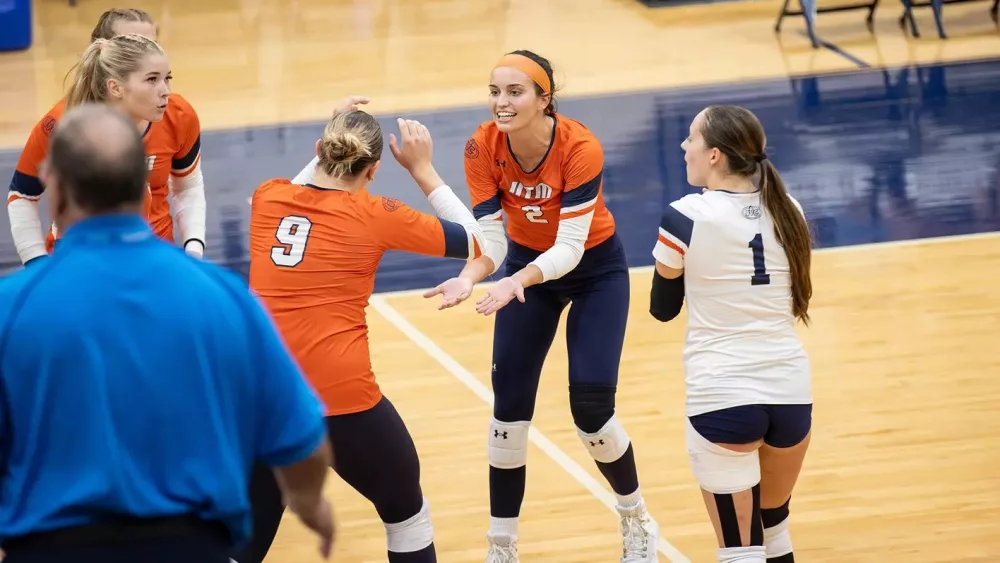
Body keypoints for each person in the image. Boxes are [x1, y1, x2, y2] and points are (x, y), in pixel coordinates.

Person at [0, 103, 334, 563]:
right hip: (191, 546)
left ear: (54, 190)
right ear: (144, 189)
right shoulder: (223, 297)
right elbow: (301, 436)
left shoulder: (11, 309)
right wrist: (309, 504)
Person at [421, 50, 659, 563]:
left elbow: (571, 249)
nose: (500, 103)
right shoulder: (481, 147)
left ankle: (636, 516)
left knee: (592, 413)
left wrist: (513, 284)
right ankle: (502, 547)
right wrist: (471, 276)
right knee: (508, 412)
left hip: (595, 271)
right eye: (494, 92)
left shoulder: (580, 147)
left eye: (515, 92)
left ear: (544, 99)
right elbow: (494, 240)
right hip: (530, 269)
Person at [245, 107, 485, 563]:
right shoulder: (376, 214)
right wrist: (422, 169)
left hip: (263, 398)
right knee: (405, 514)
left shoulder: (267, 197)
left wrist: (331, 135)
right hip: (342, 397)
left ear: (318, 150)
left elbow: (300, 188)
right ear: (374, 170)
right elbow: (480, 243)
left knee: (246, 539)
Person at [649, 105, 813, 563]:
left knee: (739, 550)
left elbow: (662, 309)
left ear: (715, 155)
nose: (684, 148)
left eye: (691, 139)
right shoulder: (790, 208)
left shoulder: (685, 215)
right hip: (791, 395)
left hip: (722, 396)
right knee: (775, 528)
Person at [7, 20, 206, 266]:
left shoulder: (179, 115)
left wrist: (193, 251)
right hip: (77, 264)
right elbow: (22, 194)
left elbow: (188, 187)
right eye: (152, 79)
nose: (165, 90)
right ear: (115, 87)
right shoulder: (62, 124)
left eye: (168, 78)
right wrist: (36, 264)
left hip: (153, 260)